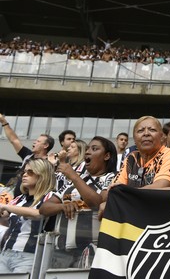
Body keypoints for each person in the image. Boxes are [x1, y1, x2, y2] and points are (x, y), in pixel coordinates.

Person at [39, 137, 118, 268]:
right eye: (87, 149)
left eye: (94, 149)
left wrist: (74, 175)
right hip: (61, 253)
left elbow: (97, 202)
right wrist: (62, 206)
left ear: (107, 156)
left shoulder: (112, 178)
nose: (87, 152)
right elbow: (44, 208)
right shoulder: (74, 181)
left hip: (93, 251)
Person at [0, 158, 55, 273]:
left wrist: (6, 207)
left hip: (29, 255)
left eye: (30, 172)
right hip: (6, 252)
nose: (24, 175)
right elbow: (6, 217)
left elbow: (39, 213)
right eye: (24, 172)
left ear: (42, 174)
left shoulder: (50, 196)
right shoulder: (20, 198)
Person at [110, 116, 170, 189]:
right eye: (140, 131)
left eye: (152, 130)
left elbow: (159, 188)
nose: (146, 133)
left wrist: (125, 192)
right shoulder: (131, 158)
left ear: (162, 137)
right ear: (134, 139)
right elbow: (115, 189)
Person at [0, 113, 54, 197]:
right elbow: (14, 140)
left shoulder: (49, 163)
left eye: (38, 141)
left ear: (46, 145)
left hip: (32, 200)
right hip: (16, 198)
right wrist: (4, 122)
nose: (34, 142)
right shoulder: (28, 155)